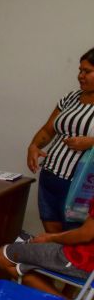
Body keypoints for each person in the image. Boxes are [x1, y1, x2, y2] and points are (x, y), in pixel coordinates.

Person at [0, 202, 94, 300]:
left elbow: (86, 234)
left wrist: (51, 238)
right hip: (85, 261)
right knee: (29, 263)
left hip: (79, 259)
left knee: (3, 256)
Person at [26, 47, 94, 232]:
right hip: (50, 176)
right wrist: (33, 146)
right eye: (80, 70)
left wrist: (91, 142)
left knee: (72, 240)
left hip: (81, 186)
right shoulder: (71, 97)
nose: (80, 75)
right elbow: (48, 130)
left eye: (87, 71)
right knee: (52, 236)